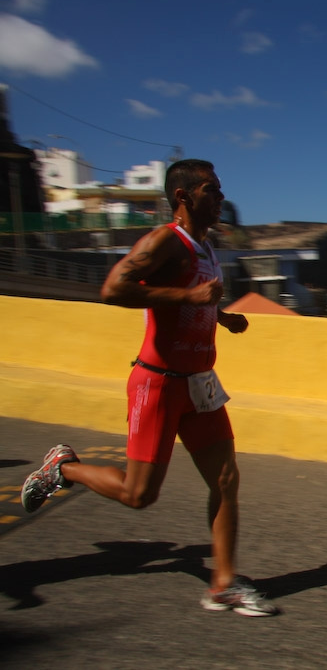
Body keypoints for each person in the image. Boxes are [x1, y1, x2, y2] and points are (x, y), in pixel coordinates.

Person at [21, 159, 278, 617]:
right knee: (138, 495)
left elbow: (192, 297)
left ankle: (223, 584)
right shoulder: (164, 241)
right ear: (183, 196)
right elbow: (113, 289)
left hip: (200, 384)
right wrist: (189, 297)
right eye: (211, 189)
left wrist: (221, 317)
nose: (221, 197)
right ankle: (64, 468)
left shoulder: (206, 246)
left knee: (225, 479)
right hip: (157, 385)